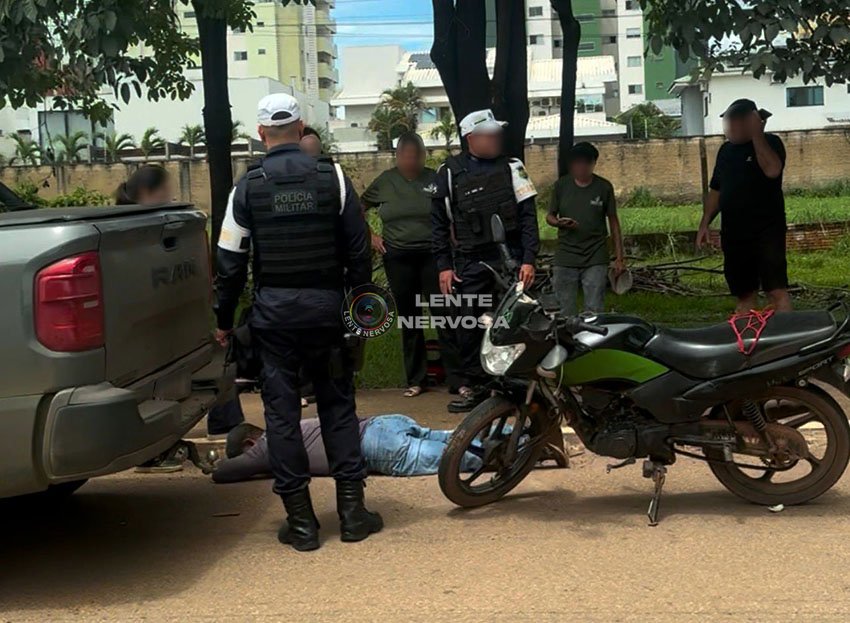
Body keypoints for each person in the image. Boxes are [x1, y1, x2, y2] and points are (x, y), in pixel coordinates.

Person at [215, 93, 381, 552]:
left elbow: (230, 262)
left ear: (261, 133)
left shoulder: (246, 187)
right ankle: (352, 515)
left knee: (282, 417)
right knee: (337, 409)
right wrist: (358, 309)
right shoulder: (334, 178)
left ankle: (302, 524)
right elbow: (359, 251)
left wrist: (224, 320)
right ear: (302, 127)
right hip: (327, 315)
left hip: (275, 321)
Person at [431, 109, 540, 413]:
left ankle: (516, 387)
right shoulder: (449, 172)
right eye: (490, 134)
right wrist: (444, 266)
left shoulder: (513, 167)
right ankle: (477, 388)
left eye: (497, 134)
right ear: (471, 138)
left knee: (514, 324)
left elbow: (529, 218)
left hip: (511, 261)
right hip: (470, 262)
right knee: (469, 325)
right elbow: (438, 225)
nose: (496, 139)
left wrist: (529, 259)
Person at [362, 132, 458, 398]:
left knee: (445, 315)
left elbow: (451, 213)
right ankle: (416, 379)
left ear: (424, 156)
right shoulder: (386, 181)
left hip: (433, 256)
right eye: (406, 157)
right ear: (397, 157)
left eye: (416, 157)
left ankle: (457, 378)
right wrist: (372, 236)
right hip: (398, 256)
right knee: (410, 318)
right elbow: (358, 208)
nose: (411, 162)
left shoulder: (434, 179)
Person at [697, 99, 789, 313]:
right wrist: (704, 223)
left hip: (767, 231)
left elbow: (772, 170)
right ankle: (746, 333)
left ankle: (785, 332)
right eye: (728, 122)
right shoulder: (725, 151)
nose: (730, 127)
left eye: (736, 121)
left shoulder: (771, 143)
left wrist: (757, 134)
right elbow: (716, 190)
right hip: (734, 233)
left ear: (750, 122)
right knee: (744, 293)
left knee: (776, 290)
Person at [212, 415, 482, 483]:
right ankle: (505, 431)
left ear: (249, 443)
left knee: (458, 458)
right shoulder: (293, 426)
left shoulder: (268, 444)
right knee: (460, 437)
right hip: (384, 423)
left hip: (374, 446)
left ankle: (506, 455)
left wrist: (210, 466)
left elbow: (224, 473)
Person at [545, 142, 625, 317]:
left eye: (586, 163)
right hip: (566, 254)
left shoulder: (604, 187)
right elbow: (549, 216)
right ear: (571, 165)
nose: (581, 167)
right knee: (564, 309)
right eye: (577, 163)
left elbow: (613, 222)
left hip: (595, 254)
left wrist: (619, 257)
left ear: (593, 164)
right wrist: (559, 223)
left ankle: (590, 334)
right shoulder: (561, 186)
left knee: (594, 308)